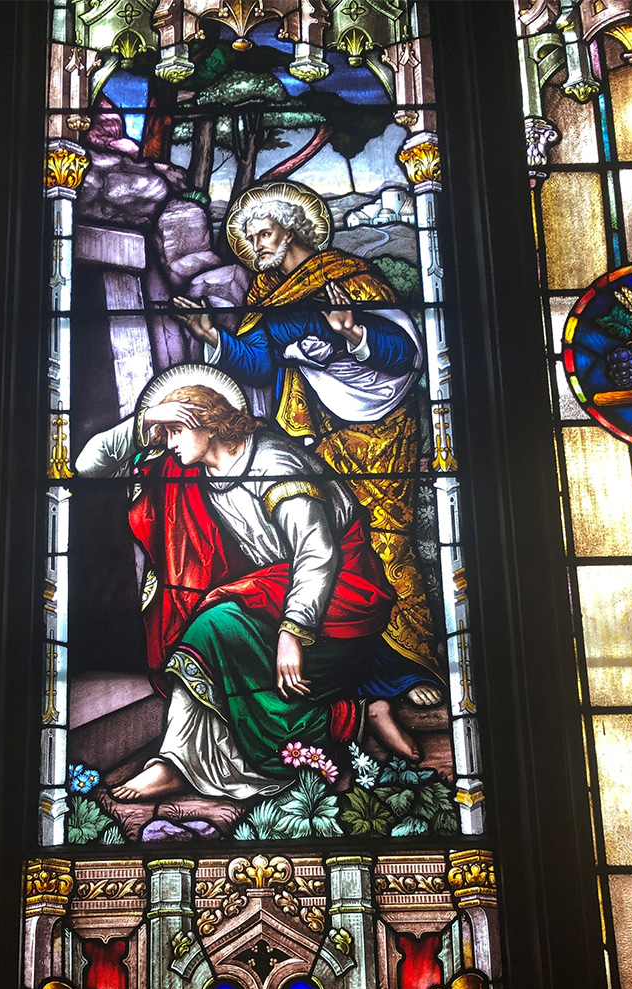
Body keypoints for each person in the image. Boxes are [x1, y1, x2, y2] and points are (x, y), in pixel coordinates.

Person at [173, 182, 443, 749]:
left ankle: (407, 670)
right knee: (342, 548)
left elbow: (404, 351)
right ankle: (361, 689)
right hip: (318, 429)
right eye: (248, 238)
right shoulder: (270, 293)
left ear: (291, 228)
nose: (256, 246)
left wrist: (357, 333)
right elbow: (258, 363)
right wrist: (215, 340)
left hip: (379, 426)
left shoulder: (345, 277)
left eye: (264, 233)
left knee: (387, 539)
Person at [74, 365, 413, 802]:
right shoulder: (190, 467)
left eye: (176, 430)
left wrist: (292, 633)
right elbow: (87, 465)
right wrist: (145, 423)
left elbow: (318, 551)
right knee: (226, 659)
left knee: (212, 630)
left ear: (205, 421)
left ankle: (174, 763)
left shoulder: (274, 461)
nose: (169, 443)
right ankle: (355, 717)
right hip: (272, 592)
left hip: (338, 596)